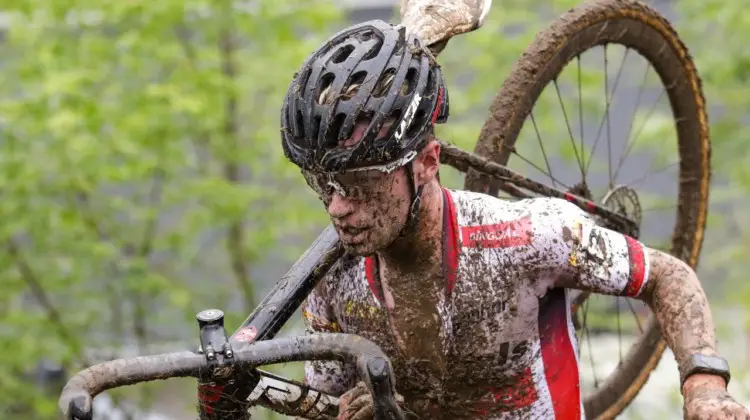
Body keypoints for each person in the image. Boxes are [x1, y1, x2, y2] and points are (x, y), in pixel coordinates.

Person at [280, 19, 749, 419]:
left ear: (426, 163)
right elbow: (328, 396)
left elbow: (667, 276)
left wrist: (705, 385)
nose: (338, 207)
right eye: (323, 185)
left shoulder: (524, 238)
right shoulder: (332, 280)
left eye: (361, 184)